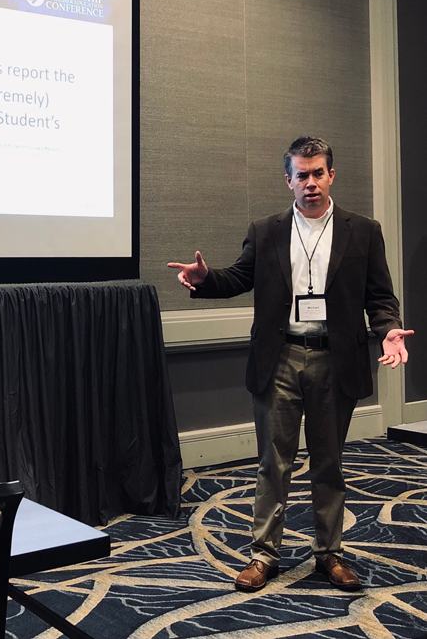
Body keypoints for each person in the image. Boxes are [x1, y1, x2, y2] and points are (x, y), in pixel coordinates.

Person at [168, 136, 413, 593]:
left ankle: (330, 554)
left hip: (335, 360)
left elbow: (379, 296)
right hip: (278, 358)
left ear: (331, 175)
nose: (311, 182)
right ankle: (264, 555)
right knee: (272, 463)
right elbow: (239, 276)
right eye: (302, 174)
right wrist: (205, 280)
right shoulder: (267, 230)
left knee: (329, 463)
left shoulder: (364, 230)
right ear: (289, 181)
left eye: (319, 172)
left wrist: (389, 329)